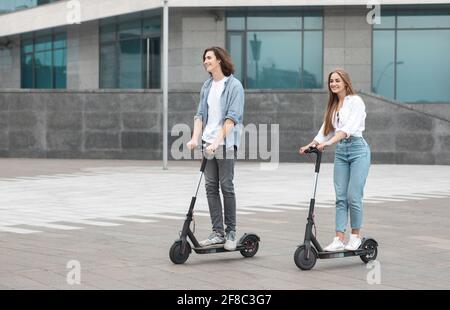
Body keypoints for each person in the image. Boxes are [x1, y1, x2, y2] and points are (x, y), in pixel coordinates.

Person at [299, 69, 371, 251]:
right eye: (331, 81)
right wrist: (311, 144)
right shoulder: (333, 105)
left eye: (337, 80)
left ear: (345, 82)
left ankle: (355, 237)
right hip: (341, 152)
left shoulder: (356, 102)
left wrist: (329, 143)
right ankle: (339, 238)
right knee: (340, 198)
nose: (334, 84)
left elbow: (348, 128)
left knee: (353, 196)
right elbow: (326, 130)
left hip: (358, 150)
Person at [186, 46, 244, 251]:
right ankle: (217, 232)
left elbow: (232, 118)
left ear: (219, 60)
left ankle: (231, 232)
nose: (205, 61)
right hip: (207, 144)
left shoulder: (234, 86)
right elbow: (200, 114)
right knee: (210, 187)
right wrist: (195, 138)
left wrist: (217, 141)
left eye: (209, 58)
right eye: (204, 58)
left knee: (226, 186)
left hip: (225, 144)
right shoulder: (207, 86)